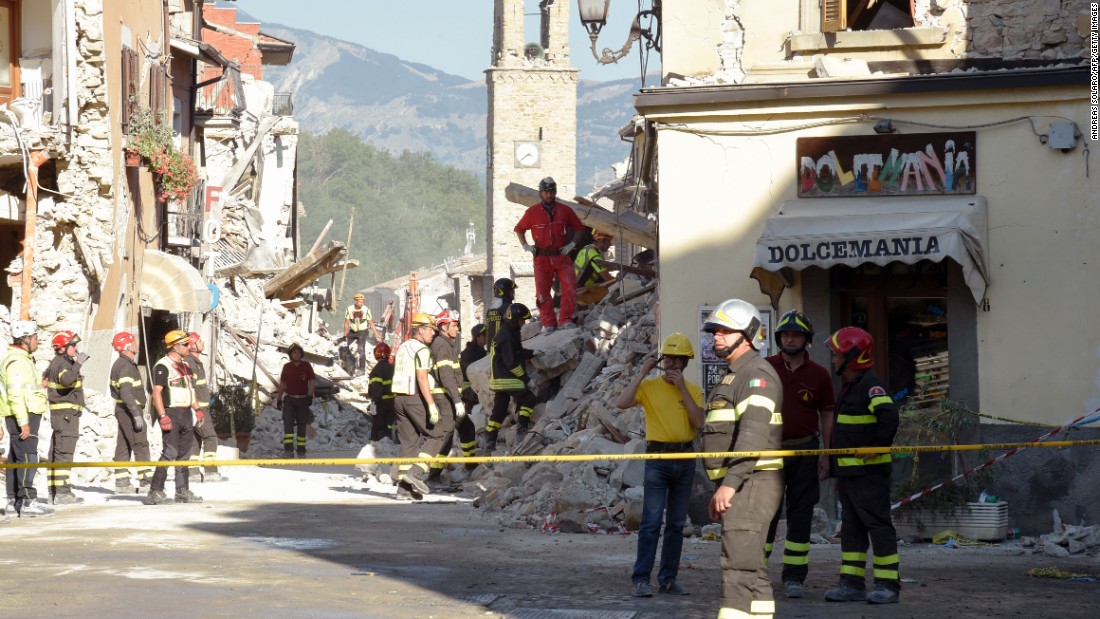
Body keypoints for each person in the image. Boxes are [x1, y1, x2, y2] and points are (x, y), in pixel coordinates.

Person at [701, 299, 784, 619]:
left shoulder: (756, 374)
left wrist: (730, 485)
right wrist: (724, 484)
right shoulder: (737, 374)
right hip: (745, 482)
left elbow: (752, 434)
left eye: (724, 330)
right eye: (715, 331)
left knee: (736, 572)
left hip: (752, 482)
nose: (716, 336)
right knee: (753, 571)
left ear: (748, 334)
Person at [614, 333, 705, 598]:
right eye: (669, 360)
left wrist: (682, 390)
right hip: (657, 460)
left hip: (685, 460)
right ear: (662, 361)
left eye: (678, 361)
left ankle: (668, 579)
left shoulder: (693, 390)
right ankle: (641, 579)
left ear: (685, 363)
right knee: (651, 522)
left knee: (676, 523)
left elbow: (699, 422)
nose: (673, 365)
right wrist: (643, 371)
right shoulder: (650, 387)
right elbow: (621, 402)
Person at [823, 326, 900, 605]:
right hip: (850, 472)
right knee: (852, 527)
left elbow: (889, 416)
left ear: (852, 356)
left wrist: (878, 446)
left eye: (836, 354)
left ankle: (888, 585)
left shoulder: (870, 384)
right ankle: (852, 584)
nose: (833, 360)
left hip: (869, 474)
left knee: (877, 526)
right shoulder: (851, 385)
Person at [763, 310, 836, 599]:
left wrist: (827, 455)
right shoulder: (765, 368)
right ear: (778, 338)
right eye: (785, 334)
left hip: (806, 450)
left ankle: (794, 578)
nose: (789, 338)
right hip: (768, 451)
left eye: (795, 334)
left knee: (801, 515)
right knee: (765, 514)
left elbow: (827, 415)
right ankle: (755, 573)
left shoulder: (819, 374)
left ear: (806, 340)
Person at [514, 177, 587, 334]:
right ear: (540, 193)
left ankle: (566, 319)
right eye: (546, 192)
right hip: (541, 258)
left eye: (551, 191)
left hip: (561, 255)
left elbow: (579, 228)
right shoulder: (532, 212)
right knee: (542, 292)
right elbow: (519, 229)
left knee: (569, 287)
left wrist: (572, 244)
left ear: (555, 192)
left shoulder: (565, 210)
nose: (549, 195)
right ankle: (548, 322)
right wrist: (525, 245)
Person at [1, 320, 55, 518]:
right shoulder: (16, 360)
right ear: (25, 339)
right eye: (34, 337)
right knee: (27, 456)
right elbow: (15, 394)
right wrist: (23, 421)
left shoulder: (22, 358)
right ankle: (28, 501)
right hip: (23, 414)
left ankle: (13, 500)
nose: (37, 341)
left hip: (24, 412)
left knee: (16, 457)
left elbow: (23, 387)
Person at [144, 330, 203, 506]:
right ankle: (155, 491)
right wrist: (162, 415)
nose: (189, 346)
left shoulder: (185, 365)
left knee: (185, 454)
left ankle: (182, 491)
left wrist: (198, 410)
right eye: (185, 344)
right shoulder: (163, 366)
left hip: (186, 413)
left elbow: (190, 391)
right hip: (171, 413)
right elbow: (156, 393)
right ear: (175, 346)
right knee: (170, 452)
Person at [391, 312, 444, 500]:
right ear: (420, 330)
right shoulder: (421, 349)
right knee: (437, 435)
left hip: (398, 398)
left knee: (409, 442)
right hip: (414, 397)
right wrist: (431, 404)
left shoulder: (403, 347)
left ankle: (403, 490)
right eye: (431, 330)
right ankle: (416, 473)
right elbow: (421, 377)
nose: (433, 334)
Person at [428, 310, 474, 483]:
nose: (457, 329)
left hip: (450, 396)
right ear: (443, 327)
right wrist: (457, 402)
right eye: (454, 325)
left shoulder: (447, 344)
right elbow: (446, 377)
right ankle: (433, 476)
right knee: (446, 436)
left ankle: (471, 465)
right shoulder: (441, 345)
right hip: (444, 398)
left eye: (457, 325)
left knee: (467, 428)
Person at [43, 330, 88, 505]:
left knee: (56, 452)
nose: (75, 348)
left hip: (62, 417)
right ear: (63, 347)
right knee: (64, 453)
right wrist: (78, 364)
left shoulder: (58, 362)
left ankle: (54, 491)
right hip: (66, 416)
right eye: (73, 345)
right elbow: (67, 381)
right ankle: (62, 493)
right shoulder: (62, 364)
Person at [486, 302, 537, 452]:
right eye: (521, 320)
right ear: (514, 319)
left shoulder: (509, 331)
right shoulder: (507, 335)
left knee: (499, 411)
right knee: (528, 399)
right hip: (507, 377)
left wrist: (531, 353)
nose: (523, 323)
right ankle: (521, 432)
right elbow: (511, 363)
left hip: (498, 380)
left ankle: (489, 443)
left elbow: (517, 352)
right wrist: (527, 379)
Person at [109, 331, 153, 493]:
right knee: (140, 444)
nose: (137, 345)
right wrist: (136, 413)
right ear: (128, 346)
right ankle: (146, 482)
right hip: (129, 411)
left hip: (123, 410)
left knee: (123, 444)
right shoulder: (126, 366)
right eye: (134, 342)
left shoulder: (121, 364)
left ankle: (122, 482)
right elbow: (126, 392)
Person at [184, 332, 226, 482]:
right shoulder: (189, 362)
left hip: (200, 408)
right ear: (192, 345)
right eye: (199, 341)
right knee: (210, 437)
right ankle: (210, 471)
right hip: (197, 409)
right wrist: (196, 409)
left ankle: (193, 472)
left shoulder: (195, 362)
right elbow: (189, 387)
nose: (203, 343)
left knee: (195, 439)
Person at [275, 343, 316, 458]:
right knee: (288, 424)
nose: (296, 354)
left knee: (302, 425)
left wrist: (310, 395)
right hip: (289, 400)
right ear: (290, 354)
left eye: (298, 352)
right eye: (294, 352)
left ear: (301, 354)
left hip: (303, 400)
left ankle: (301, 451)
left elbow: (312, 381)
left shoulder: (307, 366)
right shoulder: (287, 367)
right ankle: (288, 451)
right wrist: (279, 399)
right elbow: (282, 384)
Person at [458, 323, 488, 470]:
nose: (486, 338)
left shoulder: (481, 351)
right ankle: (469, 462)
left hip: (477, 390)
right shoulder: (469, 353)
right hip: (470, 392)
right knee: (469, 424)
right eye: (484, 335)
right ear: (477, 337)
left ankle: (470, 461)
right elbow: (471, 372)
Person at [574, 229, 616, 307]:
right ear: (602, 240)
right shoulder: (595, 256)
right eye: (609, 242)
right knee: (613, 286)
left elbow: (604, 267)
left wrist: (618, 268)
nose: (610, 244)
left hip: (573, 290)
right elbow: (608, 279)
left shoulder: (587, 248)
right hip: (580, 296)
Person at [344, 292, 381, 374]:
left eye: (362, 302)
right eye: (360, 301)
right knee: (345, 348)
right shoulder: (349, 309)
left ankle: (362, 369)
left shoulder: (366, 310)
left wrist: (376, 334)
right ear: (355, 301)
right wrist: (345, 335)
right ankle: (347, 366)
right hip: (352, 331)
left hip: (362, 332)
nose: (361, 303)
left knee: (361, 349)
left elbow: (371, 323)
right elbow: (346, 323)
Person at [366, 342, 396, 443]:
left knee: (378, 426)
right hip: (393, 402)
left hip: (381, 403)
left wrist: (374, 403)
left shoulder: (376, 370)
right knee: (388, 424)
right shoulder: (392, 368)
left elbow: (377, 391)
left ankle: (374, 446)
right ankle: (389, 442)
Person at [485, 277, 516, 343]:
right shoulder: (508, 307)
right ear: (505, 292)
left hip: (491, 349)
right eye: (511, 291)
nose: (513, 293)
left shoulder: (490, 309)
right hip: (504, 348)